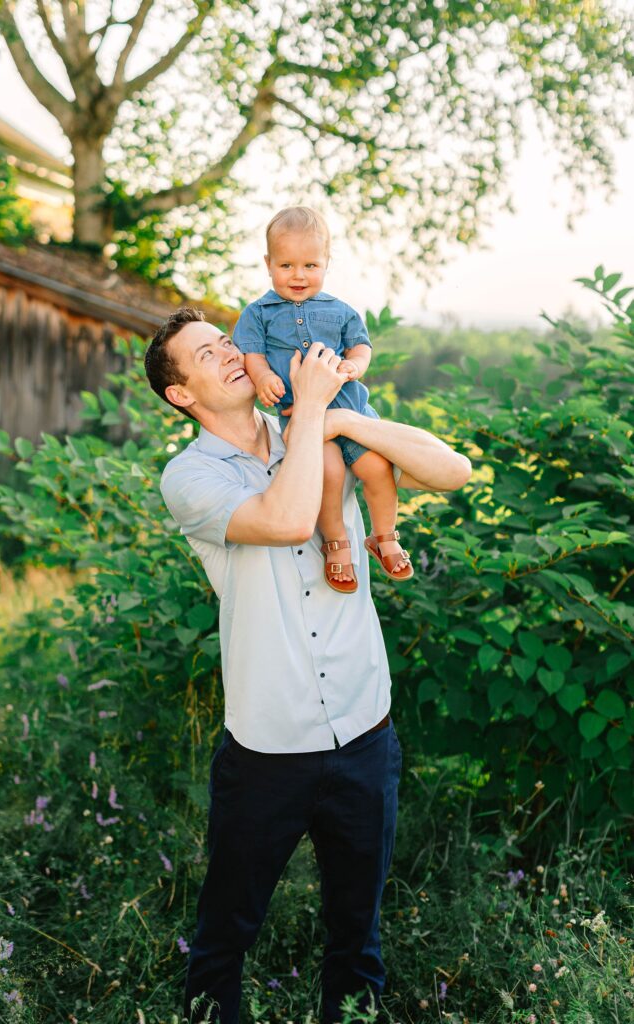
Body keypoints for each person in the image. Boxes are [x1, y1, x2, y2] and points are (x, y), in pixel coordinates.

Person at [144, 307, 471, 1024]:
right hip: (269, 743)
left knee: (357, 932)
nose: (230, 352)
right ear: (180, 394)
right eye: (206, 354)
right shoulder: (190, 476)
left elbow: (453, 471)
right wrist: (316, 412)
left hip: (363, 724)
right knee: (226, 929)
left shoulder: (318, 424)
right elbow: (286, 520)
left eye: (227, 340)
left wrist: (342, 420)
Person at [233, 206, 413, 595]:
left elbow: (361, 347)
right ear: (268, 264)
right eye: (287, 265)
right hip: (306, 422)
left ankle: (384, 535)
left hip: (352, 412)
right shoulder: (257, 314)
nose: (298, 275)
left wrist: (354, 367)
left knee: (378, 469)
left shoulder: (341, 311)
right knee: (329, 475)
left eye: (310, 265)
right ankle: (337, 544)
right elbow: (252, 353)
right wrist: (263, 376)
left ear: (327, 263)